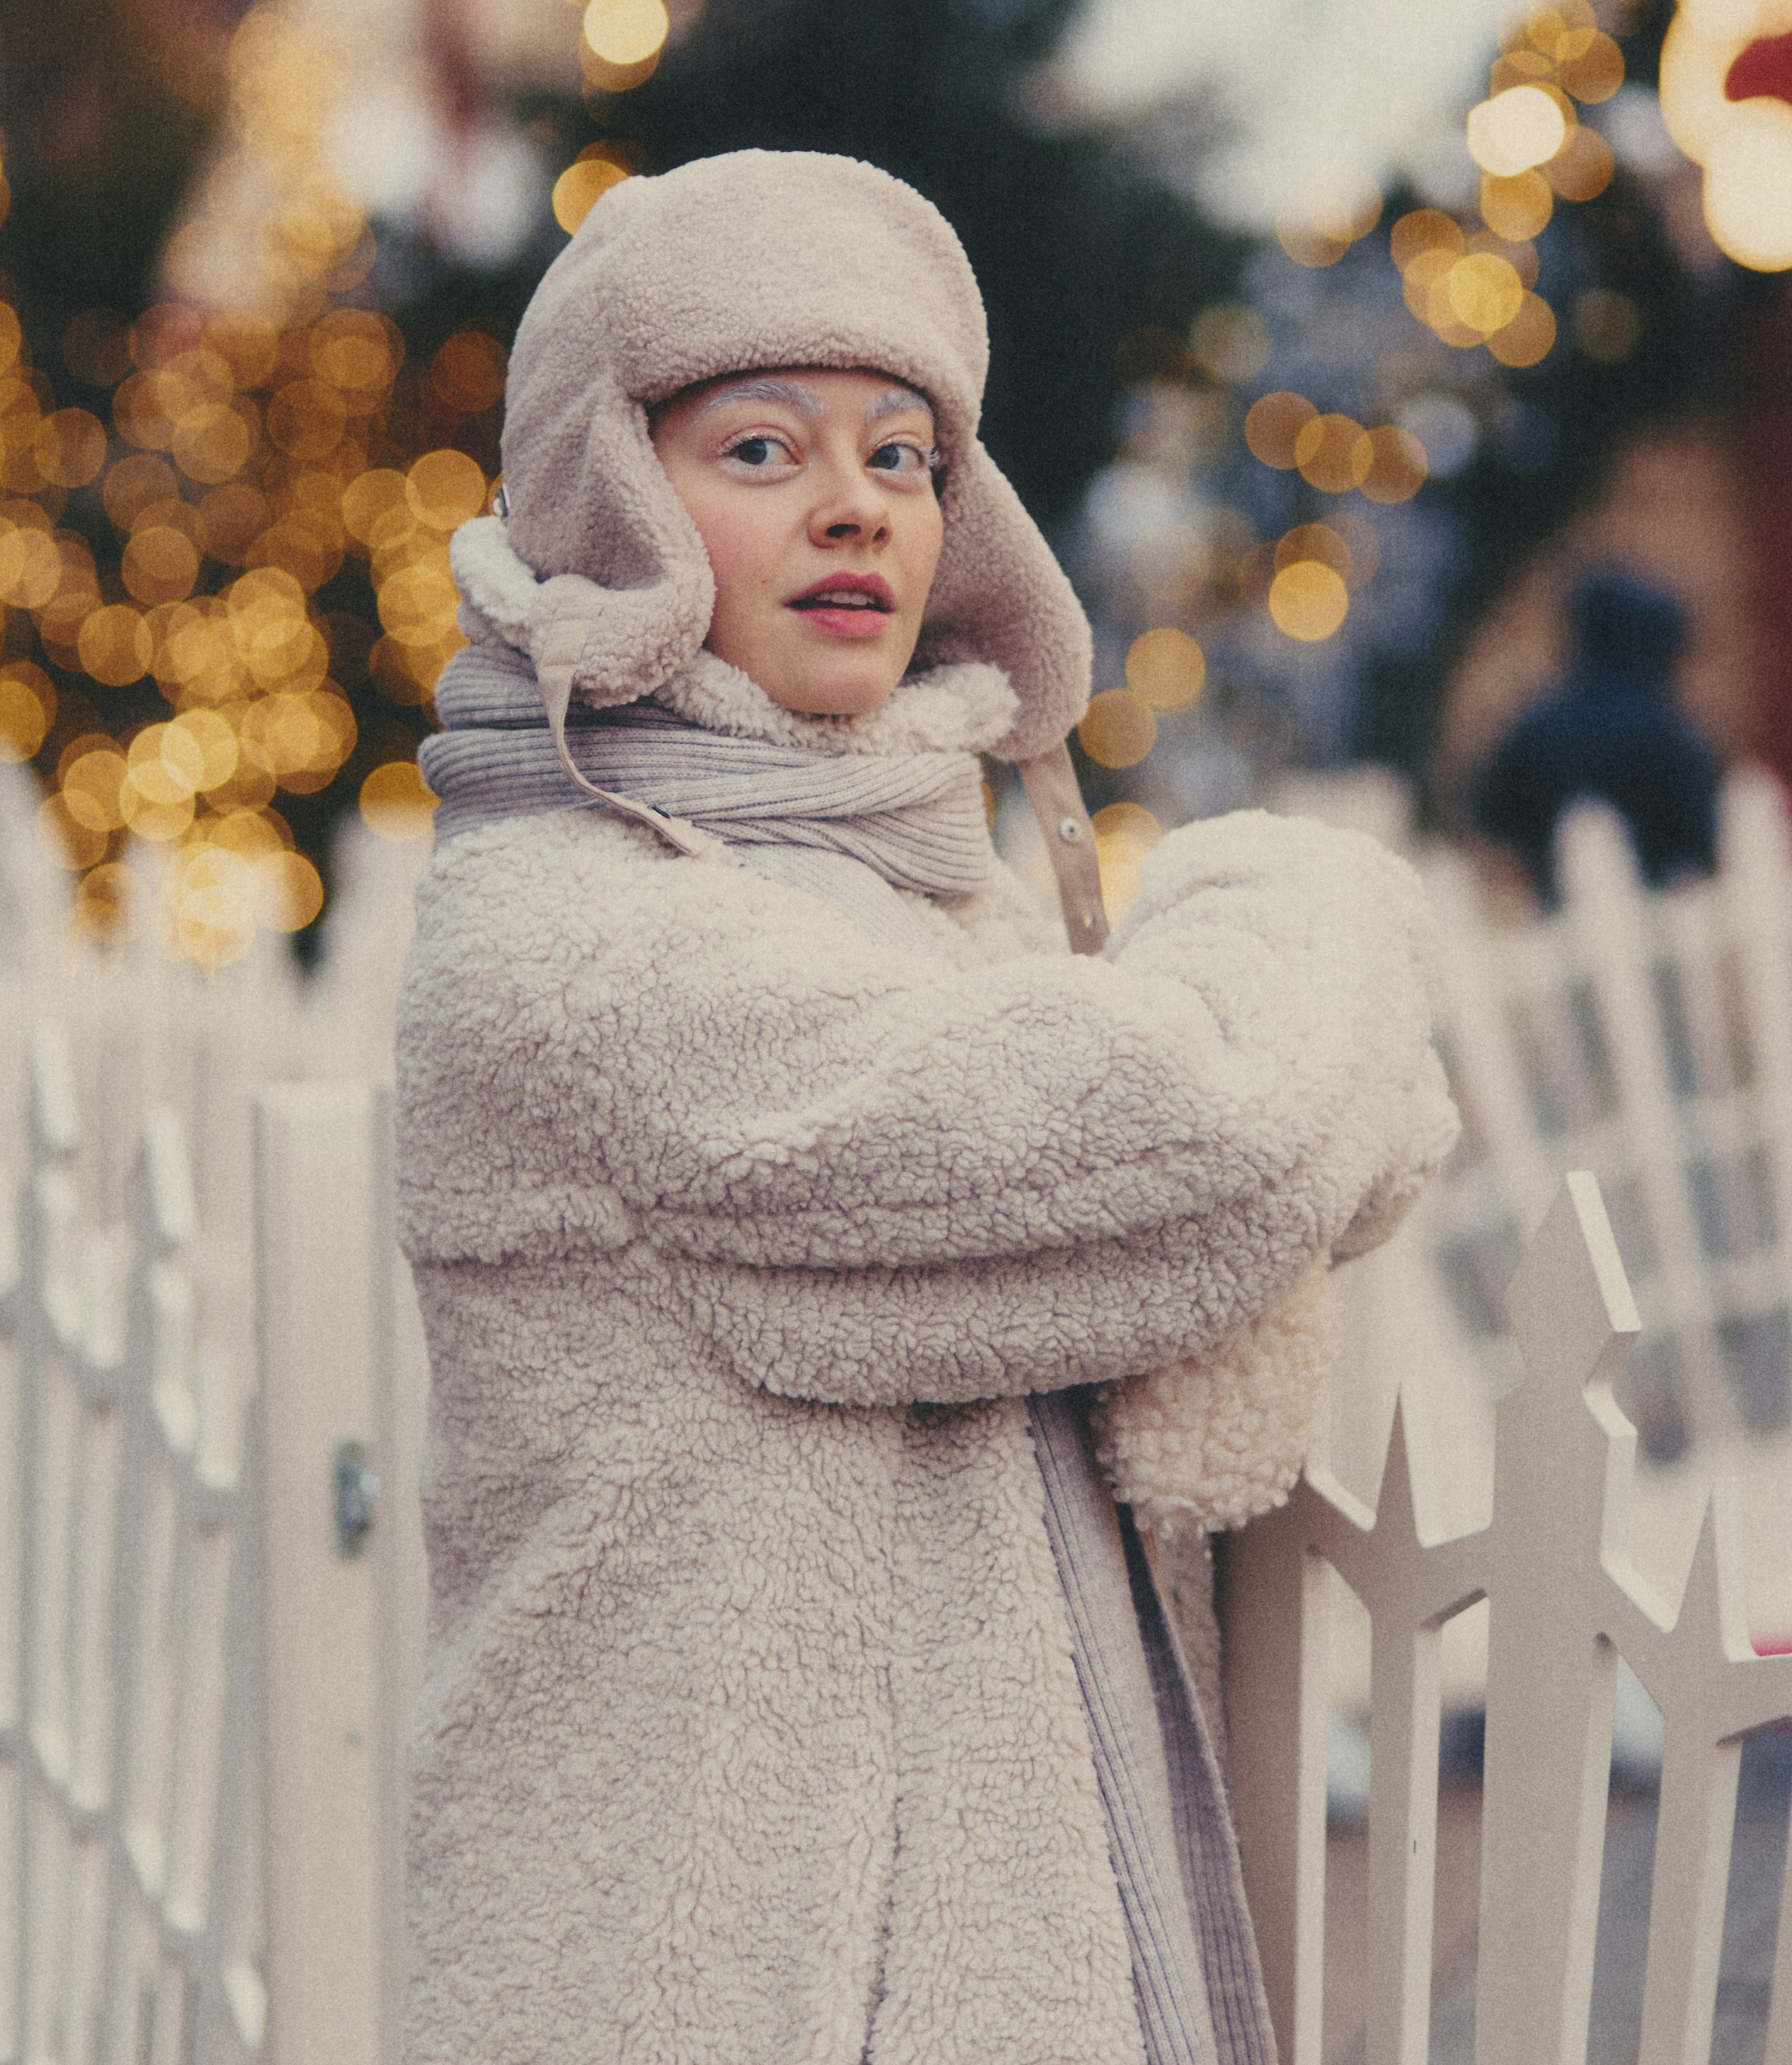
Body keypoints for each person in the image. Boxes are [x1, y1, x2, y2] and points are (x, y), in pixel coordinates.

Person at [396, 150, 1457, 2065]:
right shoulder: (577, 941)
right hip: (715, 1975)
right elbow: (1217, 1142)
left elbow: (1237, 1186)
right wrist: (1294, 896)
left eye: (901, 457)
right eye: (760, 452)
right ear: (608, 496)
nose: (851, 510)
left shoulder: (913, 889)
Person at [1471, 569, 1722, 905]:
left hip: (1547, 925)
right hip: (1659, 928)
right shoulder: (1675, 738)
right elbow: (1701, 852)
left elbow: (1494, 832)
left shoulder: (1535, 727)